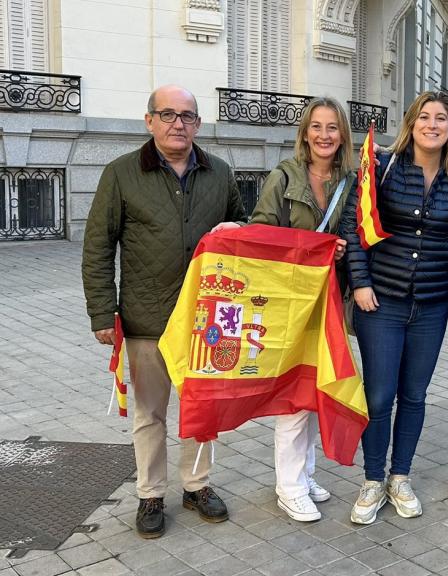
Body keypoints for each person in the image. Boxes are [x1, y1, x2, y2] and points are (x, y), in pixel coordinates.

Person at [82, 85, 242, 538]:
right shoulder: (121, 173)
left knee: (201, 407)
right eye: (168, 114)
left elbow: (238, 232)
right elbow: (98, 246)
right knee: (150, 412)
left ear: (198, 123)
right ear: (149, 120)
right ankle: (150, 493)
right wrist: (101, 313)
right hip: (146, 317)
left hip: (205, 320)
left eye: (188, 116)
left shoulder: (220, 172)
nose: (178, 123)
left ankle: (197, 486)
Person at [341, 91, 448, 525]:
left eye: (441, 118)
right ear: (411, 122)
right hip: (381, 303)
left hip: (433, 306)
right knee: (380, 395)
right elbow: (355, 226)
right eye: (425, 116)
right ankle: (371, 480)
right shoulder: (382, 170)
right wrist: (360, 283)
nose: (433, 124)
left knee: (414, 396)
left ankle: (399, 477)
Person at [215, 97, 355, 522]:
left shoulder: (349, 181)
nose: (324, 135)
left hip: (329, 300)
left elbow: (357, 230)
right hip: (290, 301)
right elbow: (263, 232)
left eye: (333, 128)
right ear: (305, 133)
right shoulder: (284, 176)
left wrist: (343, 250)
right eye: (317, 127)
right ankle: (289, 486)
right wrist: (238, 232)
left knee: (315, 388)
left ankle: (306, 473)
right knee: (294, 396)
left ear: (342, 135)